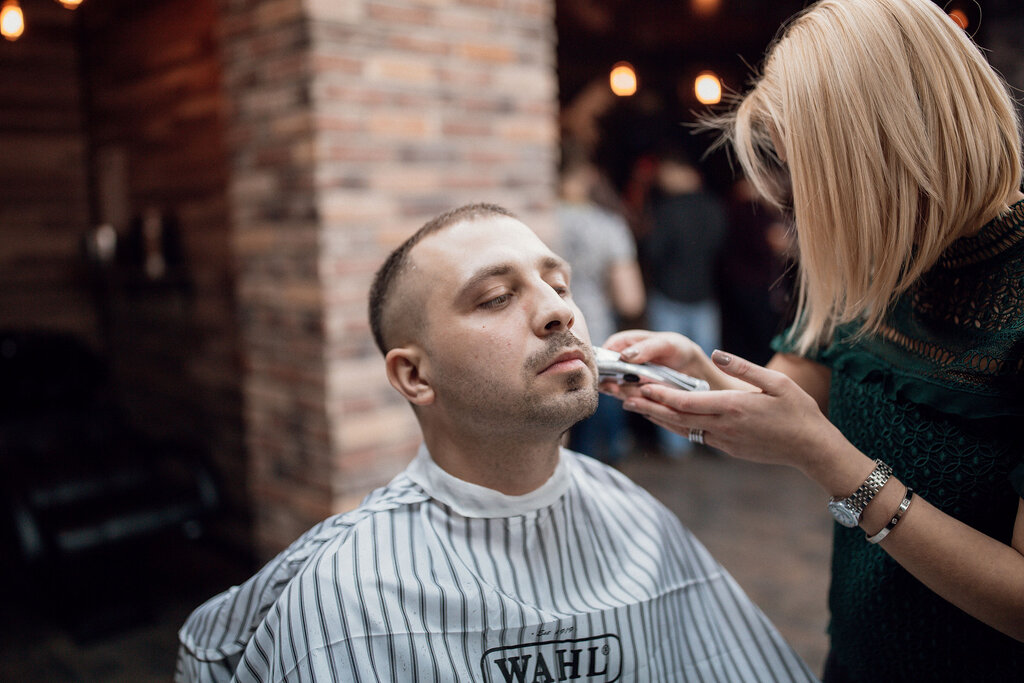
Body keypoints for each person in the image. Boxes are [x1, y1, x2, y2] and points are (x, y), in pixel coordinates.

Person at [175, 203, 816, 682]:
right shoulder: (347, 589)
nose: (559, 311)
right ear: (413, 375)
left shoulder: (642, 523)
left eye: (559, 286)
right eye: (496, 297)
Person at [601, 0, 1024, 680]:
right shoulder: (877, 258)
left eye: (812, 184)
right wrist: (690, 373)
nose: (803, 215)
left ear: (897, 150)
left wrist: (835, 465)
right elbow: (783, 398)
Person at [557, 155, 646, 464]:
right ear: (588, 175)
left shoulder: (534, 220)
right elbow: (630, 299)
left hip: (545, 340)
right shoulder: (608, 225)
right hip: (594, 335)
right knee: (602, 451)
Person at [642, 148, 727, 456]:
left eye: (666, 170)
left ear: (684, 172)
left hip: (669, 296)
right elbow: (720, 247)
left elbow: (654, 250)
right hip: (704, 296)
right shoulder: (714, 207)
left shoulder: (667, 209)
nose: (661, 177)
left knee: (666, 371)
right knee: (708, 371)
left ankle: (676, 444)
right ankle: (714, 436)